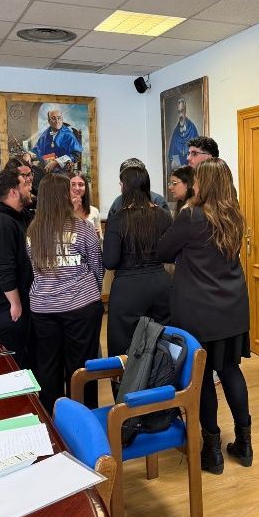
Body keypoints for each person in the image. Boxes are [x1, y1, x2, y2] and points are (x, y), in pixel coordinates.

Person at [157, 158, 252, 475]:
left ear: (205, 184)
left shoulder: (192, 216)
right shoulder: (234, 216)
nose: (194, 184)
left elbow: (163, 251)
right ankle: (244, 443)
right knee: (231, 370)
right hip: (232, 308)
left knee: (204, 375)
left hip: (199, 310)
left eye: (197, 179)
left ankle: (212, 451)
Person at [26, 173, 104, 414]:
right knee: (81, 368)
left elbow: (35, 268)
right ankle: (83, 418)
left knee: (48, 367)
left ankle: (52, 418)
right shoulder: (83, 226)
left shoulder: (32, 230)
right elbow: (97, 266)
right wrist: (93, 291)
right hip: (81, 305)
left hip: (43, 307)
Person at [103, 164, 172, 360]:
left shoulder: (118, 219)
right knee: (163, 344)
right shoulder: (164, 216)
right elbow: (170, 254)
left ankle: (129, 380)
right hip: (160, 284)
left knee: (124, 349)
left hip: (128, 289)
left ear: (126, 186)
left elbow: (110, 261)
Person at [0, 168, 34, 368]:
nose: (30, 188)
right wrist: (15, 303)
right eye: (25, 185)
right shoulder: (0, 223)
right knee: (15, 364)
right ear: (13, 192)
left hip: (16, 302)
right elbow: (3, 268)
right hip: (7, 307)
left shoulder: (17, 215)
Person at [32, 108, 82, 173]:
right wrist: (29, 155)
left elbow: (77, 155)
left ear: (62, 120)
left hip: (63, 169)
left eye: (59, 118)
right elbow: (37, 150)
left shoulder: (68, 135)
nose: (57, 121)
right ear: (49, 121)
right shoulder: (46, 134)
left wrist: (56, 162)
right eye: (53, 118)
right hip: (46, 166)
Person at [168, 97, 199, 173]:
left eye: (182, 111)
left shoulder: (192, 128)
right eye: (179, 112)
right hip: (179, 171)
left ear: (185, 111)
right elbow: (172, 153)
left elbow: (198, 151)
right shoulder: (175, 132)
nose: (180, 115)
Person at [70, 172, 102, 243]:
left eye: (81, 184)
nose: (77, 188)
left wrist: (98, 236)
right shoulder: (61, 211)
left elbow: (100, 241)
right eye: (73, 184)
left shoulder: (94, 211)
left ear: (86, 187)